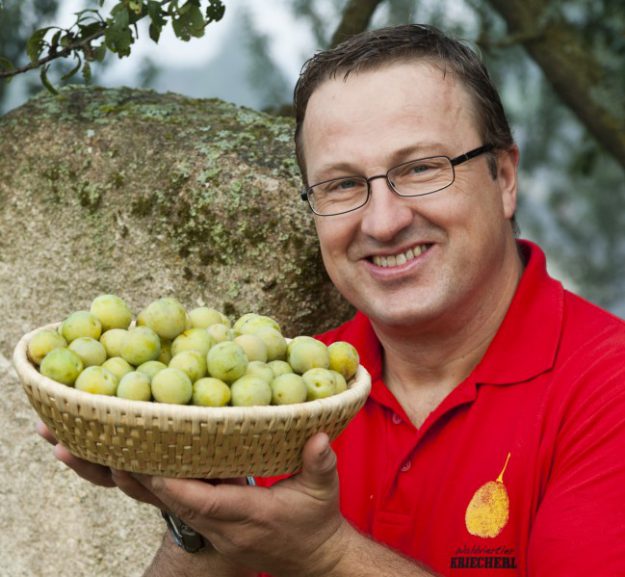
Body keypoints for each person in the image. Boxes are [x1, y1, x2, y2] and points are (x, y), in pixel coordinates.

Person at [38, 23, 625, 577]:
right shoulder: (282, 390)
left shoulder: (607, 385)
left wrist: (327, 553)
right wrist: (195, 518)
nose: (384, 220)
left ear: (503, 177)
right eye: (342, 184)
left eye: (421, 169)